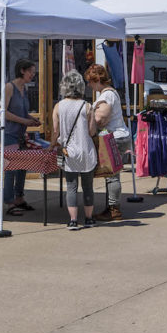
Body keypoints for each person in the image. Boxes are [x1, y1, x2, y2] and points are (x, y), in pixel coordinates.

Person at [51, 72, 97, 231]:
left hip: (68, 151)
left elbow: (55, 131)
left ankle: (73, 221)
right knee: (88, 186)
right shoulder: (87, 106)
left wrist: (51, 145)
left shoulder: (58, 106)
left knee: (71, 186)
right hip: (86, 150)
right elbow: (92, 132)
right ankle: (89, 219)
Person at [86, 64, 130, 222]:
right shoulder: (111, 93)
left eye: (90, 82)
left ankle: (113, 210)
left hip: (114, 137)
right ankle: (112, 207)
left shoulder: (106, 96)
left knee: (112, 175)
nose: (89, 85)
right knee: (113, 175)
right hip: (119, 135)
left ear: (97, 80)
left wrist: (90, 117)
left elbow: (100, 119)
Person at [0, 59, 40, 216]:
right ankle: (9, 202)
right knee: (11, 168)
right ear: (22, 71)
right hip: (9, 134)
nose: (33, 74)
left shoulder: (24, 89)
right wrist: (25, 121)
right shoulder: (9, 87)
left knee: (22, 166)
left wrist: (32, 119)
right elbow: (4, 112)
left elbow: (21, 112)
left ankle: (19, 198)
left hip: (20, 135)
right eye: (31, 71)